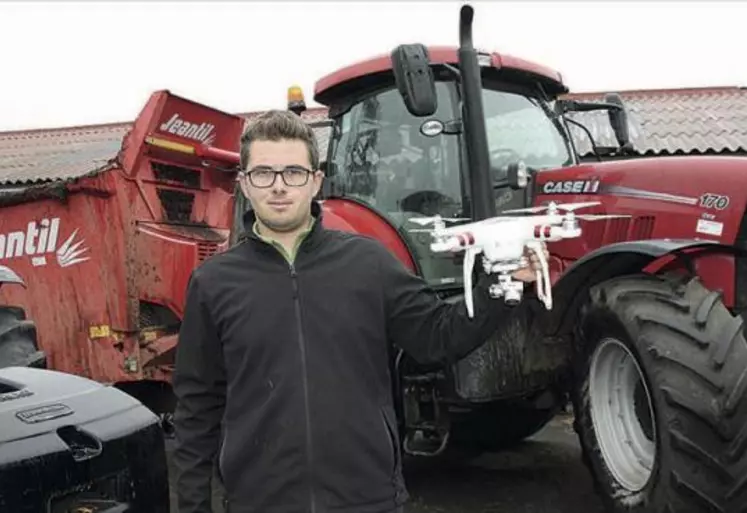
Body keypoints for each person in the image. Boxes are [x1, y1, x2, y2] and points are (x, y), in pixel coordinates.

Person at [172, 110, 548, 513]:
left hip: (366, 498)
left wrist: (498, 287)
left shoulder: (368, 263)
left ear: (316, 182)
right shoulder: (214, 283)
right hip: (259, 501)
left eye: (294, 173)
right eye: (264, 173)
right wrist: (194, 506)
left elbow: (437, 337)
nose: (279, 187)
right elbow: (196, 407)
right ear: (244, 184)